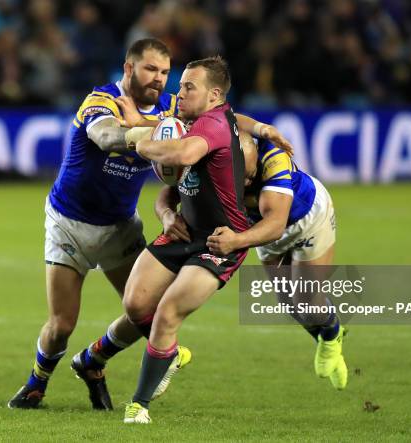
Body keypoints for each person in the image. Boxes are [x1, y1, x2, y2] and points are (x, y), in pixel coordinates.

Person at [8, 38, 292, 410]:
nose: (160, 79)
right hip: (68, 223)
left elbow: (220, 115)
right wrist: (143, 131)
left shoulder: (172, 107)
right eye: (150, 70)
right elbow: (105, 134)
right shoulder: (102, 101)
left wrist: (260, 128)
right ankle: (36, 384)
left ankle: (93, 363)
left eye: (164, 72)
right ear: (129, 69)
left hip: (119, 226)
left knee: (145, 309)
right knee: (62, 324)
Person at [121, 56, 249, 424]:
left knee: (168, 310)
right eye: (180, 86)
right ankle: (170, 355)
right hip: (185, 229)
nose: (179, 93)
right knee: (135, 304)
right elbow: (171, 188)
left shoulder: (212, 124)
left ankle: (138, 405)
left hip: (221, 241)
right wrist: (166, 214)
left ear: (214, 94)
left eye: (188, 87)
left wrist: (141, 144)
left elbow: (182, 154)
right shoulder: (192, 120)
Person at [205, 131, 347, 390]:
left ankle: (332, 334)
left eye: (250, 175)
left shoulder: (274, 160)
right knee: (287, 302)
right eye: (241, 176)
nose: (246, 182)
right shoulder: (214, 160)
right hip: (259, 227)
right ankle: (322, 336)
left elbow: (275, 225)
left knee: (307, 301)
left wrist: (235, 241)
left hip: (307, 221)